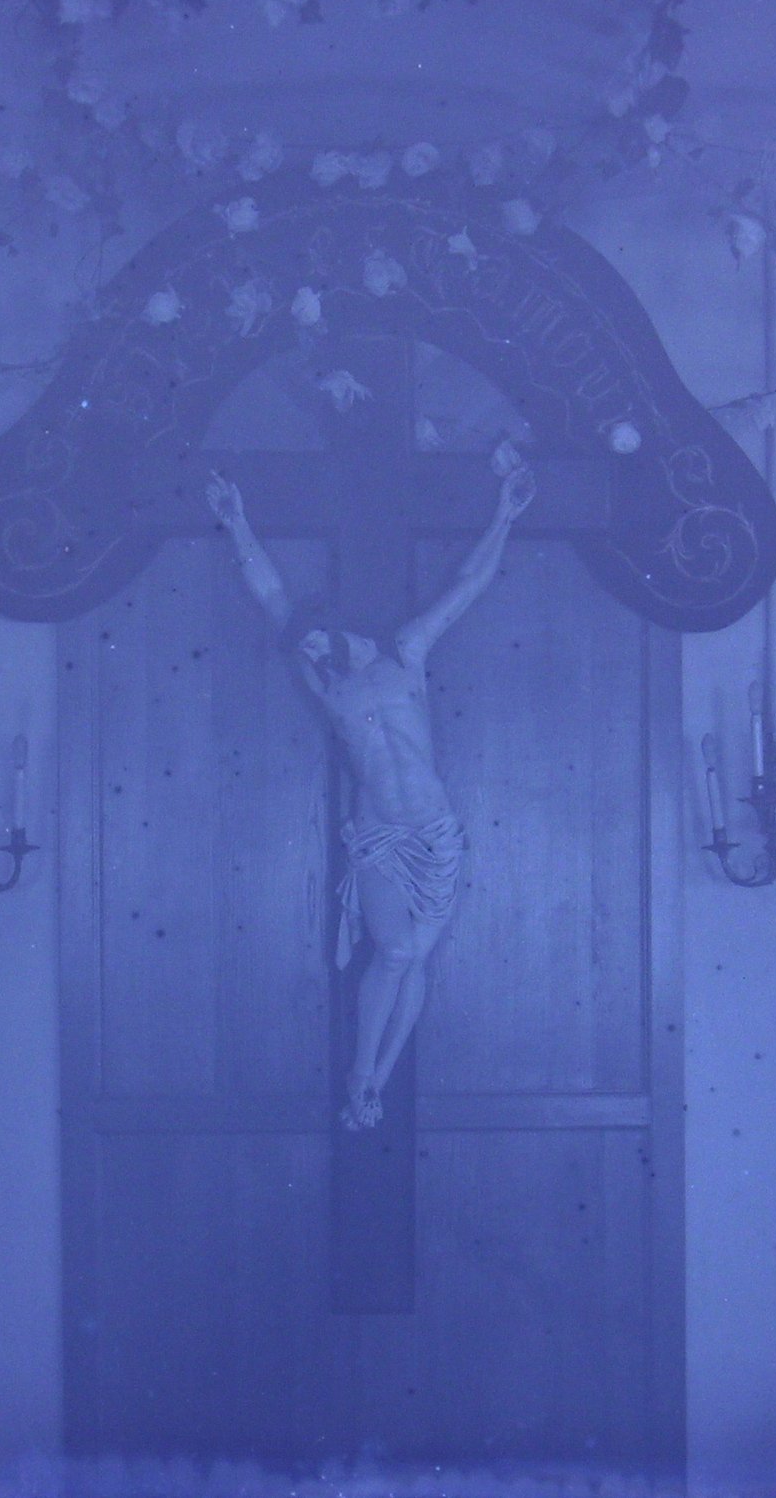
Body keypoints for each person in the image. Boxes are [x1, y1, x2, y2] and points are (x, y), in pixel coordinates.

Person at [205, 458, 536, 1130]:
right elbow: (269, 594)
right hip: (381, 835)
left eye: (315, 638)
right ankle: (362, 1074)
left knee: (415, 959)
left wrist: (503, 516)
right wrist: (237, 524)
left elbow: (469, 585)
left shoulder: (405, 653)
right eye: (306, 646)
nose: (311, 650)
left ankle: (374, 1085)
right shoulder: (327, 684)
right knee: (397, 953)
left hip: (435, 834)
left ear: (333, 624)